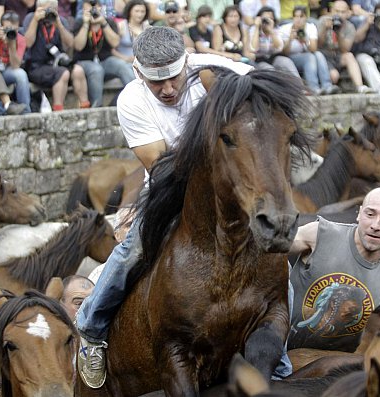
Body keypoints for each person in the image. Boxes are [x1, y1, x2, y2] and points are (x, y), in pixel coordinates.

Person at [75, 27, 292, 389]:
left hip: (231, 182)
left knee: (280, 248)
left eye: (174, 77)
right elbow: (161, 166)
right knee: (132, 249)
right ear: (138, 71)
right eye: (156, 82)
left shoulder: (217, 72)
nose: (169, 89)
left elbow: (263, 113)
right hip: (170, 188)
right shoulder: (131, 101)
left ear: (186, 62)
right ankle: (92, 328)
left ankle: (276, 348)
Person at [288, 187, 380, 352]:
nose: (375, 225)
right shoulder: (319, 235)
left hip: (330, 371)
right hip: (279, 348)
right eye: (370, 214)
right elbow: (270, 246)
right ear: (359, 214)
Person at [22, 0, 90, 111]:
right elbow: (28, 43)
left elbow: (70, 44)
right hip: (36, 66)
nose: (48, 13)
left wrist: (58, 24)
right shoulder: (31, 18)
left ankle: (85, 107)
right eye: (45, 9)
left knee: (78, 70)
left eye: (51, 9)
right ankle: (58, 110)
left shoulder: (61, 20)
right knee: (63, 73)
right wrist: (35, 20)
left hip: (58, 62)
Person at [72, 0, 134, 107]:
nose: (93, 10)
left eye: (95, 7)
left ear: (101, 8)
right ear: (83, 10)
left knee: (123, 66)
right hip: (85, 61)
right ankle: (97, 107)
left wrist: (103, 23)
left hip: (106, 60)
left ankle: (136, 98)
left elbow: (115, 43)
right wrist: (86, 24)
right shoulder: (79, 22)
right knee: (96, 70)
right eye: (89, 8)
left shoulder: (108, 22)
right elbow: (78, 46)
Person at [280, 5, 340, 94]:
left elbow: (313, 49)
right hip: (291, 58)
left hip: (308, 56)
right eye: (296, 16)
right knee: (310, 57)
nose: (298, 19)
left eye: (301, 16)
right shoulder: (285, 29)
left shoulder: (310, 27)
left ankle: (327, 86)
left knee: (318, 54)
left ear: (306, 18)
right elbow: (284, 53)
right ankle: (314, 88)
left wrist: (305, 41)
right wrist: (290, 39)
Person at [317, 0, 372, 93]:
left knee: (349, 55)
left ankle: (360, 87)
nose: (339, 14)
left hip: (338, 56)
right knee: (334, 76)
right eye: (337, 11)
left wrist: (339, 33)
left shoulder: (349, 26)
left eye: (343, 12)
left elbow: (345, 49)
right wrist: (325, 29)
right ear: (331, 11)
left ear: (348, 13)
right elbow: (318, 45)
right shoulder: (323, 20)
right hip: (324, 57)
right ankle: (328, 87)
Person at [0, 10, 31, 113]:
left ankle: (26, 112)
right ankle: (1, 115)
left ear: (18, 27)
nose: (10, 31)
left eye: (14, 29)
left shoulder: (20, 39)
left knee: (21, 74)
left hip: (6, 71)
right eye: (7, 28)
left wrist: (12, 46)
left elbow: (16, 65)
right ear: (0, 26)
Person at [249, 6, 301, 77]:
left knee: (286, 62)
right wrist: (257, 27)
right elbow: (253, 48)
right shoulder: (254, 30)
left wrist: (271, 31)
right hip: (260, 60)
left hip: (275, 57)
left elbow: (279, 47)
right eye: (265, 19)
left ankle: (299, 85)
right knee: (270, 70)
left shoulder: (276, 30)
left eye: (270, 18)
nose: (267, 21)